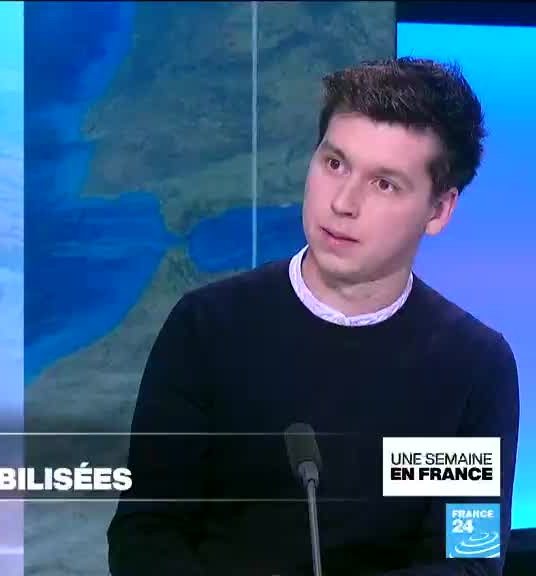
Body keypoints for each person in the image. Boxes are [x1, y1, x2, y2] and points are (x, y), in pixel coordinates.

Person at [107, 57, 519, 575]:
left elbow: (468, 561)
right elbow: (146, 534)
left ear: (439, 210)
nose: (343, 202)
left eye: (384, 184)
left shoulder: (472, 366)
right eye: (335, 164)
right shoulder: (208, 329)